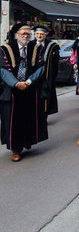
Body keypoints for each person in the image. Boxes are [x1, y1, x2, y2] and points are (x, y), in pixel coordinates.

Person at [0, 24, 46, 161]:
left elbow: (41, 68)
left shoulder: (36, 49)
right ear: (16, 35)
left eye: (28, 33)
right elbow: (2, 70)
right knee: (14, 121)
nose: (26, 36)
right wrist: (16, 83)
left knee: (30, 117)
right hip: (12, 91)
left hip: (30, 89)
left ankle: (27, 141)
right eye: (23, 33)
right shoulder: (4, 49)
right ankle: (15, 150)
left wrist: (29, 82)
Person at [34, 26, 60, 116]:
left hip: (47, 76)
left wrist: (52, 77)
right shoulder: (30, 45)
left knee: (46, 96)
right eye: (37, 34)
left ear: (46, 34)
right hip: (33, 77)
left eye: (41, 34)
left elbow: (56, 63)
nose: (39, 36)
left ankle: (44, 115)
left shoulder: (52, 46)